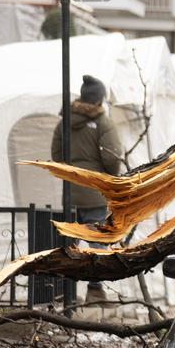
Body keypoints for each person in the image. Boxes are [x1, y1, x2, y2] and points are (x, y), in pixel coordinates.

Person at [51, 75, 123, 303]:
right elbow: (111, 157)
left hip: (70, 192)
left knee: (68, 242)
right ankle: (95, 290)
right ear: (100, 98)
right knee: (96, 242)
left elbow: (56, 152)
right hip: (94, 193)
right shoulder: (103, 122)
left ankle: (64, 291)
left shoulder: (64, 120)